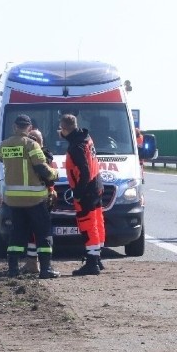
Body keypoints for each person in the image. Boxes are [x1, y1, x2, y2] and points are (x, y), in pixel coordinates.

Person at [0, 114, 60, 279]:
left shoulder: (4, 145)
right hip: (34, 199)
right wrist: (55, 174)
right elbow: (43, 169)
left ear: (14, 127)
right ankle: (46, 269)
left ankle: (13, 269)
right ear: (29, 128)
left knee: (17, 234)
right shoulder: (32, 144)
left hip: (13, 200)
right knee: (43, 233)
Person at [59, 114, 104, 276]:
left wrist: (77, 193)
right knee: (97, 222)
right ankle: (97, 256)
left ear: (64, 128)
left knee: (87, 224)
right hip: (96, 186)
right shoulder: (85, 137)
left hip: (86, 191)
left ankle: (92, 262)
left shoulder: (75, 147)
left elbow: (84, 172)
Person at [20, 128, 57, 275]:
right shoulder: (25, 155)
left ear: (42, 142)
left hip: (42, 199)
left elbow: (49, 176)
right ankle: (31, 263)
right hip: (27, 200)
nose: (34, 140)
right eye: (31, 138)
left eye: (37, 138)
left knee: (42, 233)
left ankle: (45, 266)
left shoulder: (45, 156)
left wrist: (51, 190)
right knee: (30, 233)